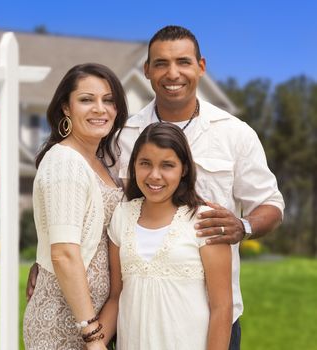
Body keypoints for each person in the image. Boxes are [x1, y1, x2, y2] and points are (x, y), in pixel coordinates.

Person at [27, 25, 285, 349]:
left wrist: (242, 226)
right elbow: (84, 199)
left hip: (213, 319)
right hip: (133, 316)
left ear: (201, 67)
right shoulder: (121, 135)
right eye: (161, 63)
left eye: (183, 62)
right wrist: (49, 261)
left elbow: (271, 204)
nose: (172, 73)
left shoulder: (235, 133)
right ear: (147, 70)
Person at [22, 63, 128, 350]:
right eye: (86, 100)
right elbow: (64, 254)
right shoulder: (65, 161)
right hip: (64, 320)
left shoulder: (102, 162)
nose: (100, 109)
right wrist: (92, 336)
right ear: (66, 108)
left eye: (108, 100)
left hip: (93, 320)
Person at [104, 122, 232, 349]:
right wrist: (93, 343)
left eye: (167, 165)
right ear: (134, 165)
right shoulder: (122, 216)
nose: (155, 175)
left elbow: (222, 308)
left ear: (183, 169)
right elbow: (116, 297)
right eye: (145, 164)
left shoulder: (205, 221)